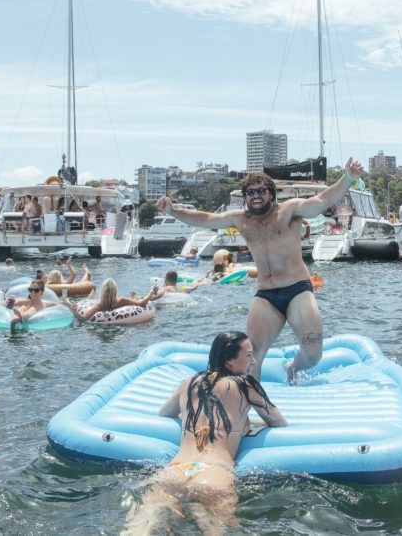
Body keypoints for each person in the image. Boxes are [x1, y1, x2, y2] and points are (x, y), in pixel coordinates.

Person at [156, 157, 364, 381]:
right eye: (251, 192)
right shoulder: (240, 219)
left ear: (270, 194)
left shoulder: (289, 211)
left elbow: (323, 199)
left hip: (298, 290)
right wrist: (173, 210)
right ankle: (250, 405)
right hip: (266, 295)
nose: (256, 196)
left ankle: (292, 368)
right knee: (252, 355)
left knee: (313, 356)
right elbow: (207, 218)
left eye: (261, 191)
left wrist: (348, 178)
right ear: (245, 197)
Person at [124, 331, 287, 535]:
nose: (253, 361)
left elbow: (165, 413)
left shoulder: (190, 381)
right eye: (248, 356)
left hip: (175, 471)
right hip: (214, 473)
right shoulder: (246, 384)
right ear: (229, 360)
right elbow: (277, 421)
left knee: (139, 527)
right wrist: (246, 423)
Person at [64, 278, 157, 322]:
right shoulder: (121, 300)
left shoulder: (99, 305)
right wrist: (152, 291)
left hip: (99, 308)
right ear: (115, 291)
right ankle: (134, 296)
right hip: (123, 312)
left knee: (89, 300)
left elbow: (83, 318)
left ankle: (90, 297)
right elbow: (142, 303)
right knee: (137, 299)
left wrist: (71, 308)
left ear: (102, 292)